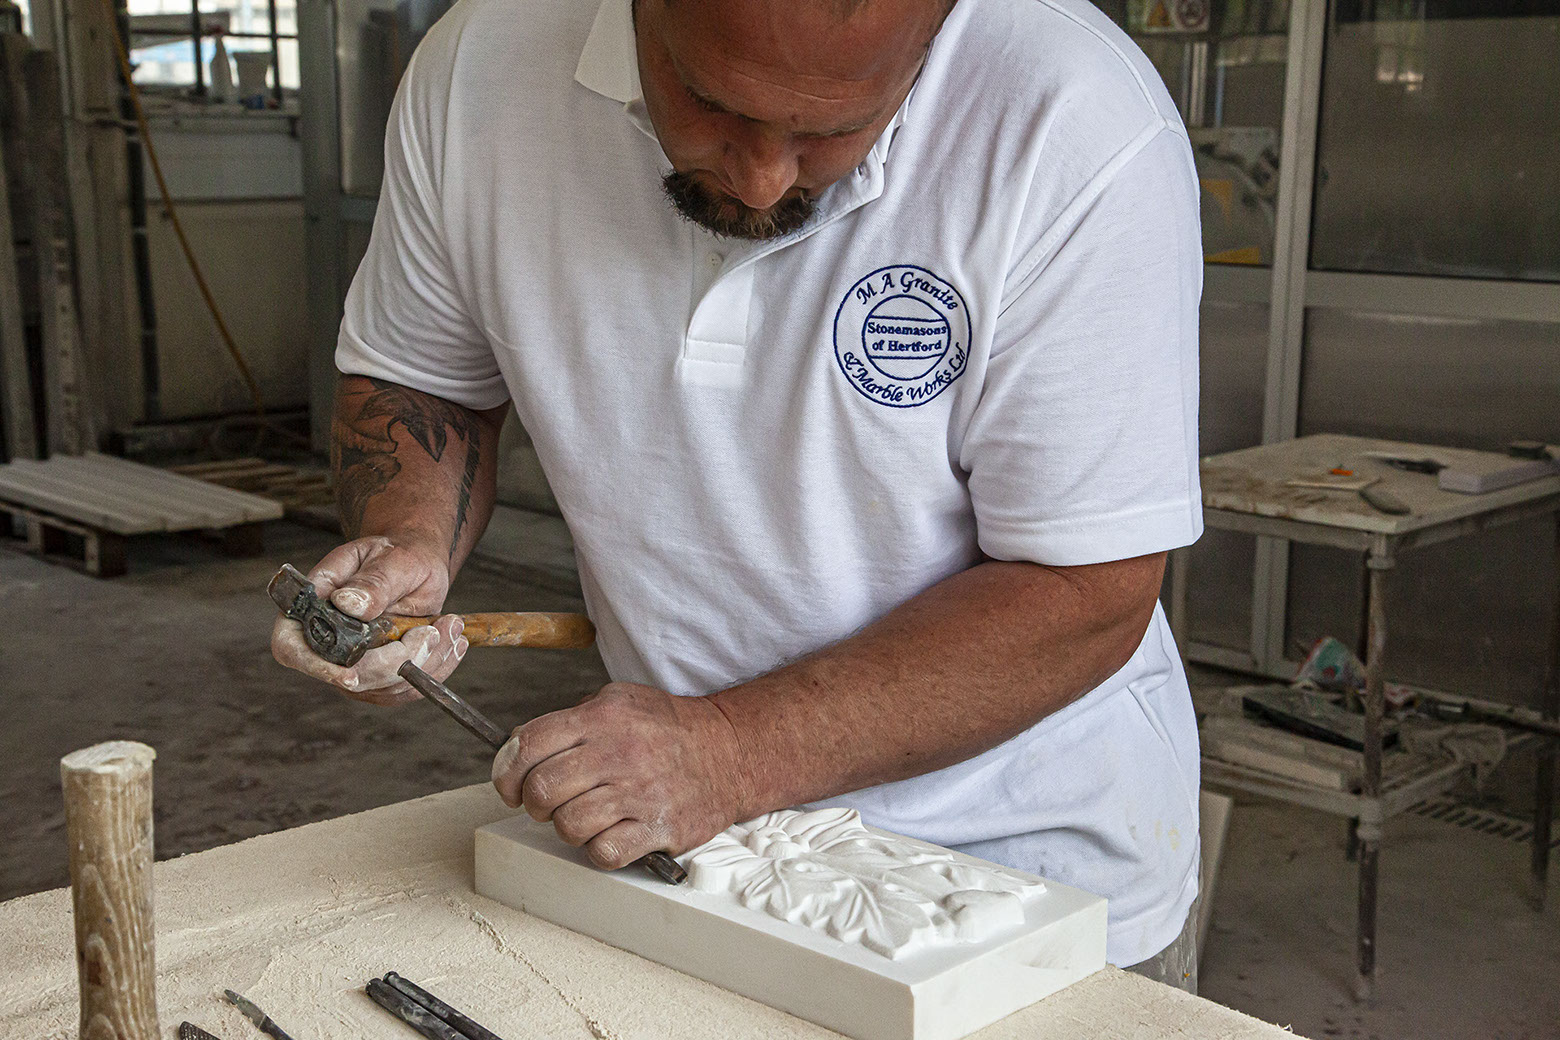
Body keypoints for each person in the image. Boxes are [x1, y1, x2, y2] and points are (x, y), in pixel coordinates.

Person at [272, 0, 1204, 988]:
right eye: (709, 101)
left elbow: (1086, 588)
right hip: (679, 855)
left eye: (828, 127)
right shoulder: (482, 67)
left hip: (1021, 876)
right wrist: (410, 537)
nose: (760, 176)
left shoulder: (1074, 122)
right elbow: (423, 377)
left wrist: (727, 751)